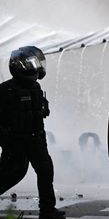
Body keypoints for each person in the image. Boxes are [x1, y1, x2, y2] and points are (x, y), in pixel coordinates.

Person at [0, 46, 65, 219]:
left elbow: (41, 110)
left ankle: (48, 210)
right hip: (15, 141)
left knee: (45, 171)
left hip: (36, 138)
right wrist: (5, 139)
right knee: (12, 174)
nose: (36, 67)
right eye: (32, 63)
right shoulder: (5, 90)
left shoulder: (36, 87)